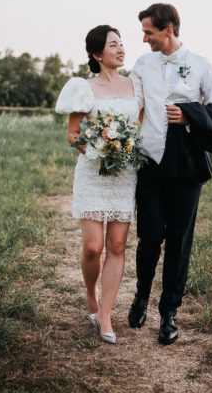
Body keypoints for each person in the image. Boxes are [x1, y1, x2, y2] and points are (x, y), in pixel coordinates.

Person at [128, 3, 212, 345]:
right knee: (148, 237)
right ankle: (141, 296)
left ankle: (168, 313)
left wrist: (190, 115)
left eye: (149, 32)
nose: (144, 39)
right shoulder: (143, 64)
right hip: (150, 161)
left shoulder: (202, 65)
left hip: (186, 164)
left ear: (168, 30)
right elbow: (133, 105)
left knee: (179, 240)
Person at [55, 25, 143, 344]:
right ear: (96, 54)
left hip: (124, 175)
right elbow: (73, 134)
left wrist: (125, 148)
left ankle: (105, 314)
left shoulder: (136, 86)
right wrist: (101, 149)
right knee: (93, 247)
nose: (120, 49)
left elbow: (139, 127)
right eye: (113, 45)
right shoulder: (84, 88)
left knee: (117, 246)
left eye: (122, 44)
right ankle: (91, 297)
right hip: (93, 172)